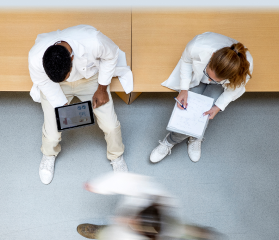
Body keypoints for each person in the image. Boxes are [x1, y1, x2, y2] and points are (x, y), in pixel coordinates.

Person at [28, 25, 133, 184]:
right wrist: (62, 105)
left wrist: (102, 88)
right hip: (54, 86)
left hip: (89, 78)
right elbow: (43, 81)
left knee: (111, 125)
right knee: (52, 132)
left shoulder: (94, 41)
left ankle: (116, 156)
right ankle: (49, 154)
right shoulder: (35, 57)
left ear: (71, 59)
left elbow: (111, 56)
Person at [150, 32, 253, 163]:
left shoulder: (244, 70)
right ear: (212, 56)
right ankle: (170, 140)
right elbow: (186, 61)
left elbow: (234, 89)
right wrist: (184, 89)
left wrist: (218, 107)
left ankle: (195, 136)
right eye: (208, 74)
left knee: (204, 112)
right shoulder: (197, 46)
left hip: (220, 82)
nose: (209, 80)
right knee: (189, 111)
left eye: (214, 79)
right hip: (198, 76)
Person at [77, 172, 224, 240]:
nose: (128, 220)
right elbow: (124, 180)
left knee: (112, 234)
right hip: (171, 224)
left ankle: (101, 233)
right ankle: (196, 234)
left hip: (121, 236)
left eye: (134, 225)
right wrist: (98, 186)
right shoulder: (150, 195)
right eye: (134, 218)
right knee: (181, 228)